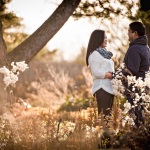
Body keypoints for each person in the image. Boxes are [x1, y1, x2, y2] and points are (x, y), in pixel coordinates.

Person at [121, 21, 150, 127]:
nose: (127, 34)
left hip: (135, 90)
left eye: (129, 31)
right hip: (143, 89)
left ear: (135, 33)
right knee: (141, 118)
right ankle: (141, 139)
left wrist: (117, 74)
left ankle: (138, 141)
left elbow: (132, 70)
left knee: (136, 119)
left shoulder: (135, 48)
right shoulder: (146, 48)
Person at [86, 29, 115, 117]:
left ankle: (106, 131)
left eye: (106, 38)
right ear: (98, 39)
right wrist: (110, 75)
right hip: (102, 88)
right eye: (104, 38)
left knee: (108, 117)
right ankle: (102, 130)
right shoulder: (95, 54)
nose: (106, 40)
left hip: (109, 88)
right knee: (104, 117)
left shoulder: (104, 54)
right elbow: (96, 72)